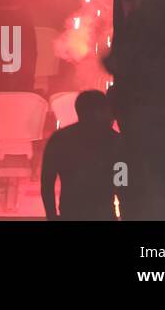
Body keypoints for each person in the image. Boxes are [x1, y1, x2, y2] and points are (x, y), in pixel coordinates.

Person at [40, 90, 124, 220]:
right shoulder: (115, 141)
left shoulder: (59, 139)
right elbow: (122, 184)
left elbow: (47, 182)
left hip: (70, 212)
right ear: (99, 112)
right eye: (108, 110)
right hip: (103, 214)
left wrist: (51, 215)